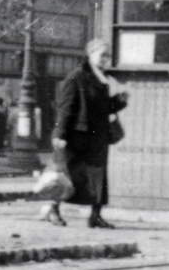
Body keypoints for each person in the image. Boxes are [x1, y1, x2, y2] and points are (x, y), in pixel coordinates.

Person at [50, 37, 128, 229]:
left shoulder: (101, 78)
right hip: (77, 135)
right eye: (102, 55)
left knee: (98, 177)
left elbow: (101, 107)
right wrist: (60, 134)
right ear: (91, 54)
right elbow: (65, 107)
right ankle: (53, 210)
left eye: (108, 56)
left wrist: (119, 101)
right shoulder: (76, 76)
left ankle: (95, 216)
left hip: (97, 135)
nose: (105, 60)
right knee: (67, 175)